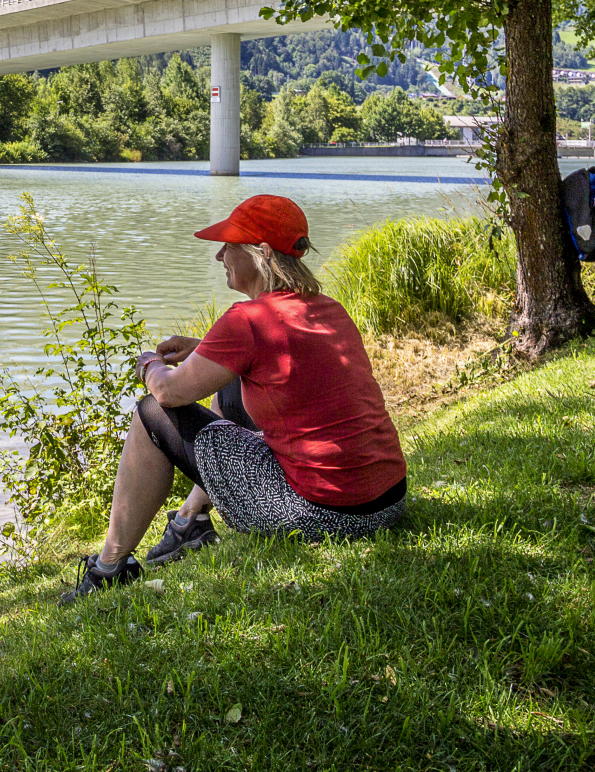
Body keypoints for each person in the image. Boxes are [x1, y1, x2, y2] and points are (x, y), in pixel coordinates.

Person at [60, 194, 408, 604]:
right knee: (229, 383)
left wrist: (149, 363)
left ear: (260, 254)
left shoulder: (246, 321)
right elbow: (272, 355)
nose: (220, 256)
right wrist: (203, 349)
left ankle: (108, 568)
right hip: (386, 503)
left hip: (325, 516)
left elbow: (168, 392)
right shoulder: (329, 309)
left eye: (228, 246)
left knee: (151, 413)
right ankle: (190, 521)